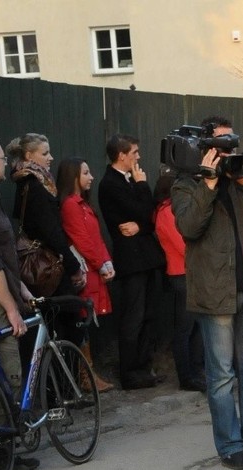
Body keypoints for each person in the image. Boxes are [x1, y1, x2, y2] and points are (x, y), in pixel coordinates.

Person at [172, 116, 243, 469]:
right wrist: (209, 184)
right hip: (214, 292)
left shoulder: (242, 181)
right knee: (221, 377)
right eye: (219, 143)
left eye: (230, 142)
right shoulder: (186, 185)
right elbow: (189, 227)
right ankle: (230, 445)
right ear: (203, 149)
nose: (227, 149)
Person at [97, 133, 165, 389]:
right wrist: (141, 185)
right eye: (134, 152)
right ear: (121, 155)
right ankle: (130, 372)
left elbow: (150, 217)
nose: (138, 157)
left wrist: (141, 226)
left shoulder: (126, 181)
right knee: (133, 317)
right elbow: (145, 210)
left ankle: (144, 367)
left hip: (146, 259)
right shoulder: (110, 184)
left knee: (148, 314)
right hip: (132, 262)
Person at [7, 131, 86, 345]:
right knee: (66, 322)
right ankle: (65, 375)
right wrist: (73, 266)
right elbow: (51, 232)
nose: (51, 158)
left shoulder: (28, 183)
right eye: (45, 153)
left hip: (44, 261)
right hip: (48, 266)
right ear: (29, 156)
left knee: (56, 324)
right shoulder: (34, 186)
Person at [0, 135, 37, 470]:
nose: (5, 164)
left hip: (5, 292)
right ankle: (1, 456)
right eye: (0, 158)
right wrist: (10, 307)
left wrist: (19, 285)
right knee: (7, 376)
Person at [57, 156, 115, 392]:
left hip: (92, 268)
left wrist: (106, 262)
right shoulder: (71, 205)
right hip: (84, 270)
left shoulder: (82, 205)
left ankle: (88, 374)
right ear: (73, 177)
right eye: (86, 173)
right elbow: (82, 240)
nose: (91, 177)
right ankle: (85, 375)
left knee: (87, 319)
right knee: (83, 318)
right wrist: (101, 263)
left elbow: (96, 238)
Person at [153, 172, 204, 392]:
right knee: (185, 328)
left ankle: (196, 371)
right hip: (180, 273)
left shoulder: (170, 210)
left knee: (194, 327)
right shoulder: (166, 212)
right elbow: (183, 245)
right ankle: (186, 376)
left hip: (189, 272)